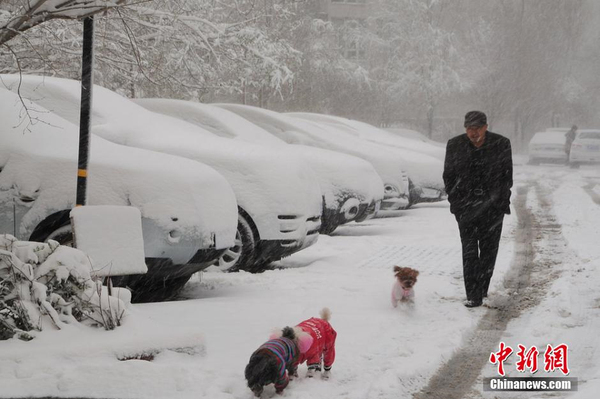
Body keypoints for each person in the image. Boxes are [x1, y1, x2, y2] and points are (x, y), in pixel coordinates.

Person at [443, 111, 513, 308]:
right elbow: (448, 175)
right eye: (469, 128)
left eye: (477, 128)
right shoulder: (455, 145)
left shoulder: (501, 143)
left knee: (489, 251)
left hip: (493, 208)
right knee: (470, 251)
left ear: (485, 127)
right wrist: (455, 202)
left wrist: (500, 201)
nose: (473, 133)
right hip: (466, 208)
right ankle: (473, 295)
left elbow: (507, 176)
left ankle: (482, 287)